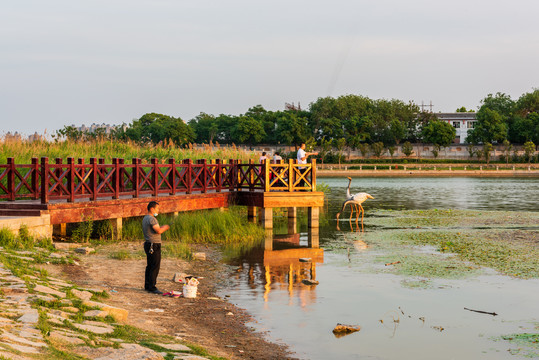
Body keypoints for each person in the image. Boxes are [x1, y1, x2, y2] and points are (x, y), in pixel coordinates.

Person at [142, 201, 170, 294]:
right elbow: (158, 230)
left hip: (148, 244)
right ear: (152, 209)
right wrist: (166, 227)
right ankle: (152, 287)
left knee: (150, 266)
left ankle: (147, 285)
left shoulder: (145, 218)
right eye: (157, 208)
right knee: (155, 266)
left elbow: (155, 228)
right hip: (153, 245)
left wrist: (161, 227)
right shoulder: (152, 219)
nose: (158, 210)